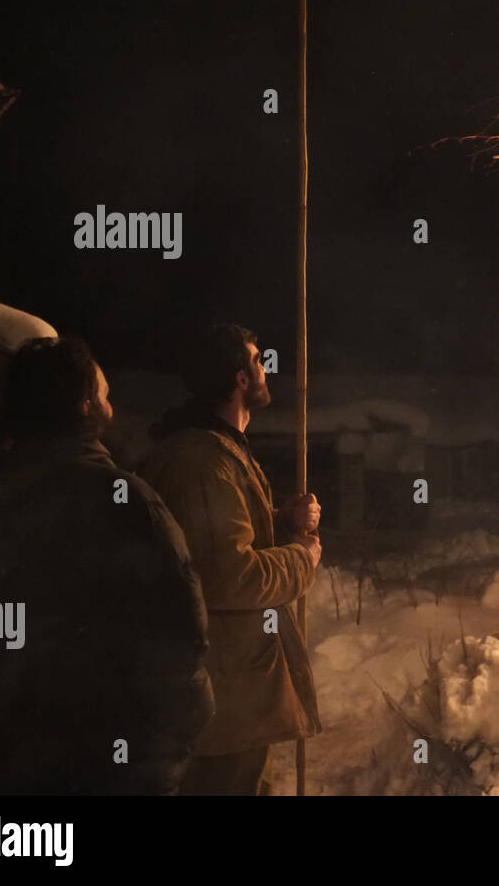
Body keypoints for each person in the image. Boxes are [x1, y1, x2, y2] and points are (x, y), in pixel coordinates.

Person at [0, 336, 213, 794]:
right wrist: (162, 746)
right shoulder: (124, 501)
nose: (110, 398)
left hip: (7, 771)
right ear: (83, 407)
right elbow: (182, 634)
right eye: (103, 391)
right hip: (113, 769)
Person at [140, 324, 321, 795]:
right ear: (241, 379)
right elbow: (230, 576)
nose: (266, 369)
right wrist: (302, 557)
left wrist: (280, 522)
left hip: (234, 685)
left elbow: (216, 543)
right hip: (221, 692)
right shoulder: (201, 462)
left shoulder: (220, 450)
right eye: (259, 360)